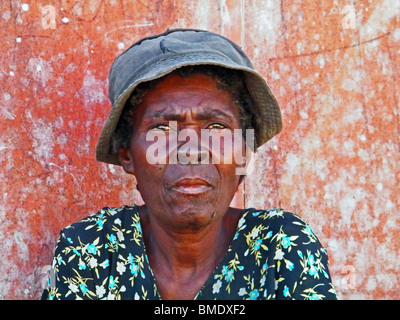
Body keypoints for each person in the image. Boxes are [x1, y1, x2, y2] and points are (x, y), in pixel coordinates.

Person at [41, 29, 337, 300]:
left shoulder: (282, 245)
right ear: (126, 154)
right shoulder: (90, 248)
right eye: (162, 130)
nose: (191, 152)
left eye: (217, 128)